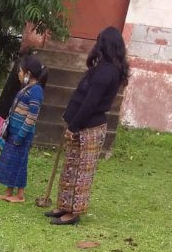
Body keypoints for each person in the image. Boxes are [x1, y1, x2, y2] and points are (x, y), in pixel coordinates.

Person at [47, 26, 129, 226]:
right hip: (80, 125)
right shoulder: (102, 67)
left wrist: (73, 127)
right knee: (70, 167)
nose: (96, 45)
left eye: (99, 41)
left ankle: (73, 213)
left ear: (106, 45)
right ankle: (64, 206)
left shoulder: (108, 72)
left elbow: (90, 103)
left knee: (82, 171)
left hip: (89, 128)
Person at [0, 55, 48, 203]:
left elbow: (32, 116)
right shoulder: (27, 88)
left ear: (28, 73)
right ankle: (9, 192)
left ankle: (20, 195)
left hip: (22, 135)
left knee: (19, 163)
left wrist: (21, 135)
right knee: (11, 161)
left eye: (20, 71)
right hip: (14, 132)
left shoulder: (36, 90)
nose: (19, 73)